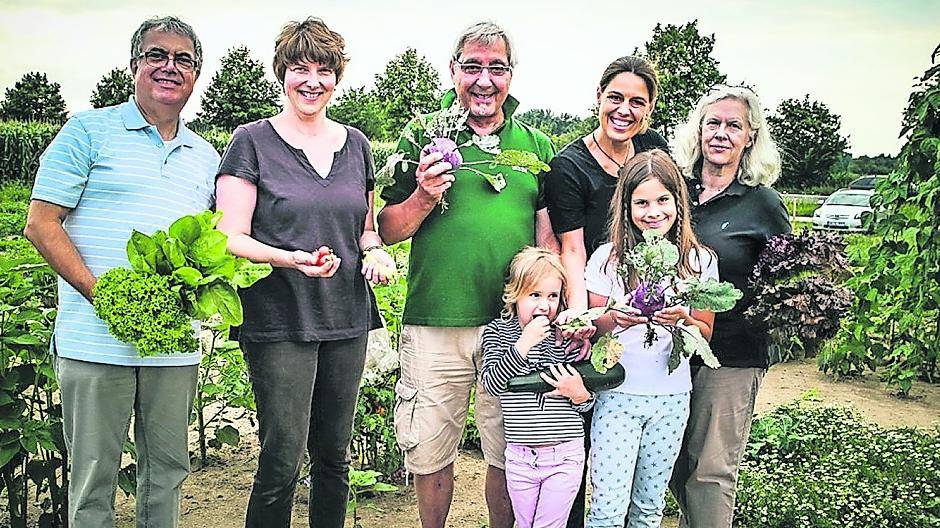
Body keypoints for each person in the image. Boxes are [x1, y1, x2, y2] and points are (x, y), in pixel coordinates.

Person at [23, 16, 217, 527]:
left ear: (196, 74)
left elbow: (216, 244)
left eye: (183, 59)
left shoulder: (204, 156)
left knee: (168, 472)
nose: (169, 67)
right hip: (93, 339)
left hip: (171, 344)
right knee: (93, 478)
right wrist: (102, 292)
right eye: (157, 55)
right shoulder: (88, 130)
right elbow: (42, 225)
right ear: (135, 65)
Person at [214, 17, 395, 528]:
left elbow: (364, 229)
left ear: (337, 77)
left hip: (345, 315)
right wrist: (289, 258)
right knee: (282, 458)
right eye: (300, 68)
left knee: (334, 459)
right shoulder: (251, 141)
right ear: (282, 74)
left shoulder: (356, 144)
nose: (312, 80)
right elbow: (230, 235)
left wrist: (376, 252)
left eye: (324, 69)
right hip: (279, 318)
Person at [378, 21, 556, 528]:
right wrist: (423, 195)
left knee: (511, 451)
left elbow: (546, 239)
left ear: (510, 76)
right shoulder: (424, 137)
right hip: (437, 319)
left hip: (517, 328)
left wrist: (550, 310)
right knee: (431, 449)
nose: (484, 79)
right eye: (472, 67)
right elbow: (387, 229)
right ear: (453, 71)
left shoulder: (537, 148)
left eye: (496, 68)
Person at [543, 55, 667, 527]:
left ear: (650, 109)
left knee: (630, 432)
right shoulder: (569, 167)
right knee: (577, 435)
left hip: (646, 314)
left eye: (637, 102)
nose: (624, 110)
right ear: (598, 98)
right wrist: (580, 320)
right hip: (597, 304)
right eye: (615, 97)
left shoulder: (653, 152)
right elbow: (571, 249)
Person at [667, 85, 791, 528]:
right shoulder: (674, 190)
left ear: (750, 137)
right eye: (712, 123)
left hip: (731, 356)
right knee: (673, 465)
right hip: (667, 351)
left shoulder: (762, 203)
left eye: (733, 125)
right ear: (698, 130)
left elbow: (787, 282)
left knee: (711, 471)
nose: (720, 133)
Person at [585, 150, 718, 527]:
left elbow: (705, 332)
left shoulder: (699, 261)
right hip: (618, 398)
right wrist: (617, 317)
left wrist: (684, 320)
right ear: (626, 208)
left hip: (671, 400)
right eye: (641, 202)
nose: (653, 212)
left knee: (648, 507)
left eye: (663, 200)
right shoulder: (608, 260)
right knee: (608, 508)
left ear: (678, 202)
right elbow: (596, 327)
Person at [480, 247, 594, 528]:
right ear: (515, 294)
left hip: (564, 454)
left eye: (552, 296)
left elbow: (587, 401)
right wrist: (523, 345)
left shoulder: (566, 337)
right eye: (535, 295)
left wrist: (580, 394)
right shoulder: (498, 332)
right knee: (524, 523)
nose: (544, 305)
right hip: (520, 456)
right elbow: (492, 384)